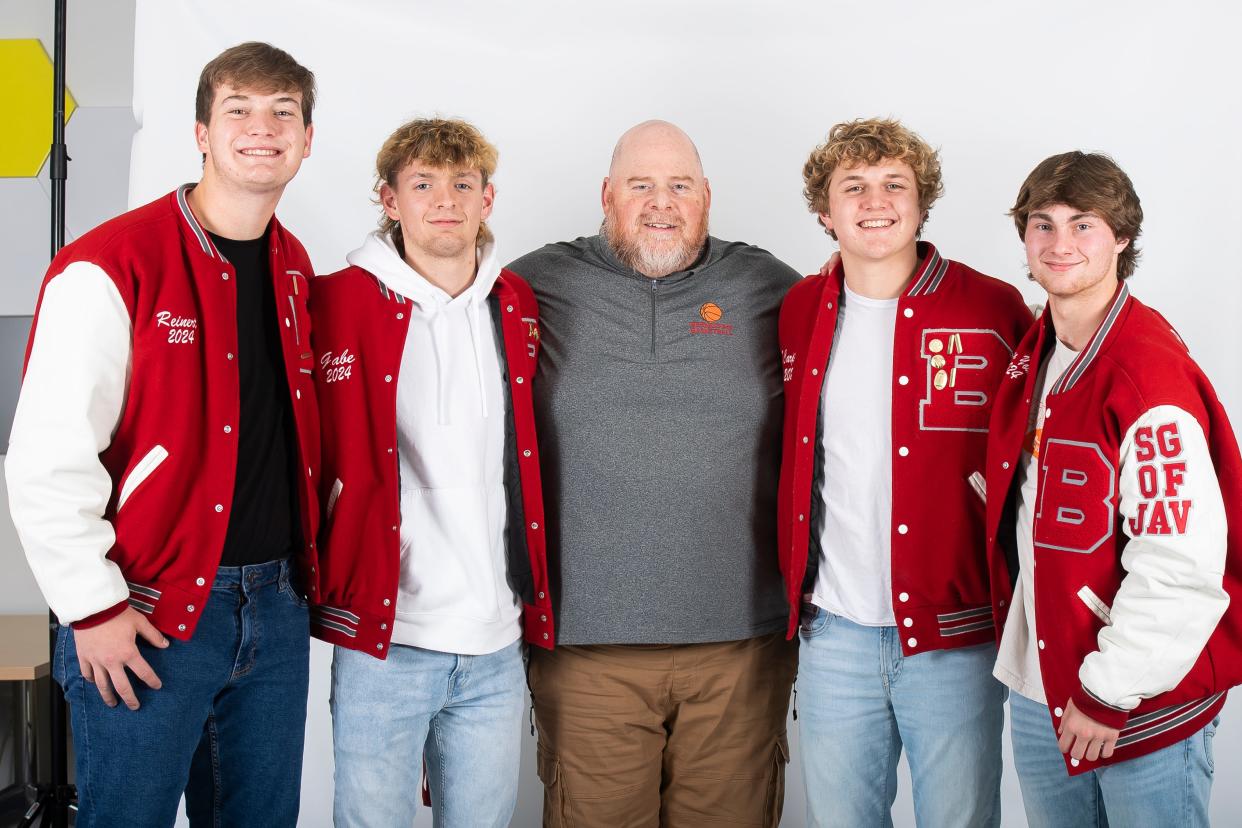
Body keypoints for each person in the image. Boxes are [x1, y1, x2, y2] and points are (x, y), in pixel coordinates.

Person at [6, 42, 319, 826]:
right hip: (147, 613)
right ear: (201, 133)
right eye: (239, 109)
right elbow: (46, 460)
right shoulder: (111, 264)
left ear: (308, 139)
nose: (263, 128)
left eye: (284, 112)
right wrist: (92, 608)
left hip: (276, 612)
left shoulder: (294, 269)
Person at [506, 120, 799, 827]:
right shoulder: (533, 284)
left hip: (740, 647)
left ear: (706, 197)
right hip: (586, 647)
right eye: (641, 185)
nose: (660, 202)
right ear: (607, 195)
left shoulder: (770, 287)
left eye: (679, 186)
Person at [776, 118, 1032, 827]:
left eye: (896, 185)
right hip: (833, 635)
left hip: (954, 636)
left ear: (922, 206)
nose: (875, 200)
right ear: (825, 213)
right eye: (852, 187)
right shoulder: (800, 309)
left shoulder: (992, 307)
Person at [985, 150, 1242, 826]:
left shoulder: (1147, 377)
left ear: (1122, 237)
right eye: (1043, 225)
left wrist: (1107, 692)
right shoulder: (1036, 351)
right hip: (1044, 690)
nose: (1060, 244)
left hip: (1131, 702)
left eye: (1084, 225)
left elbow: (1180, 564)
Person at [308, 118, 552, 828]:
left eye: (461, 184)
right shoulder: (336, 303)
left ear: (488, 199)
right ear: (389, 200)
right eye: (423, 184)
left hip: (495, 642)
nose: (444, 200)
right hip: (389, 639)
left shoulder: (517, 305)